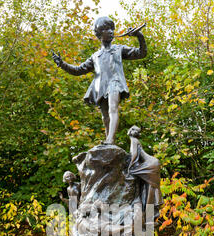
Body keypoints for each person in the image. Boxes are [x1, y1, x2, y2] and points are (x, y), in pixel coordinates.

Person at [52, 16, 147, 144]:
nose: (111, 31)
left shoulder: (119, 49)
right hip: (101, 86)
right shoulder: (95, 56)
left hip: (115, 83)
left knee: (113, 108)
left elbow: (141, 53)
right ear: (99, 33)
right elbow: (77, 70)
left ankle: (110, 140)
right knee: (105, 116)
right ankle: (108, 141)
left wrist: (139, 36)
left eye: (112, 29)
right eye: (107, 29)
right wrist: (62, 64)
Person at [127, 125, 163, 221]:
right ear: (131, 130)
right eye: (135, 130)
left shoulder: (134, 140)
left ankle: (149, 216)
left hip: (150, 164)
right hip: (153, 163)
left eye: (137, 131)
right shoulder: (135, 140)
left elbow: (134, 155)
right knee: (150, 189)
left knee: (150, 190)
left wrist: (129, 167)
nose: (136, 132)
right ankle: (149, 215)